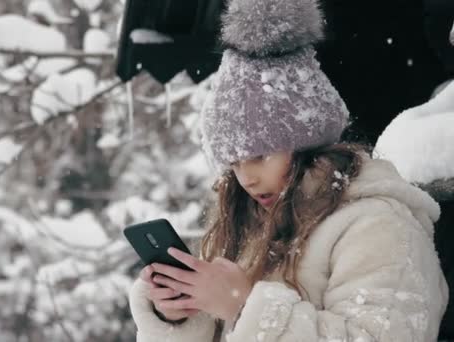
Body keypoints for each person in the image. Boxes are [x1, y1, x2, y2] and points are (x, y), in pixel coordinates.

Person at [127, 0, 449, 341]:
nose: (247, 178)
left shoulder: (378, 225)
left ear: (305, 142)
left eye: (260, 156)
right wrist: (182, 317)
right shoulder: (244, 224)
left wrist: (243, 306)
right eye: (234, 163)